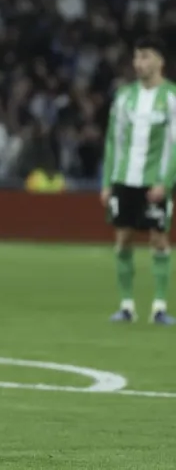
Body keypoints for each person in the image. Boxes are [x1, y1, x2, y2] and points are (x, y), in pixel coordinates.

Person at [101, 37, 176, 325]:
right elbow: (112, 142)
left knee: (158, 238)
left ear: (160, 62)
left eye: (145, 57)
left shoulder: (170, 96)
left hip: (154, 181)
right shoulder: (123, 97)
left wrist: (166, 182)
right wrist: (107, 182)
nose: (139, 63)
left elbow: (174, 143)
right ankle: (127, 306)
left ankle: (158, 306)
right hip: (124, 179)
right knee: (123, 238)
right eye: (136, 57)